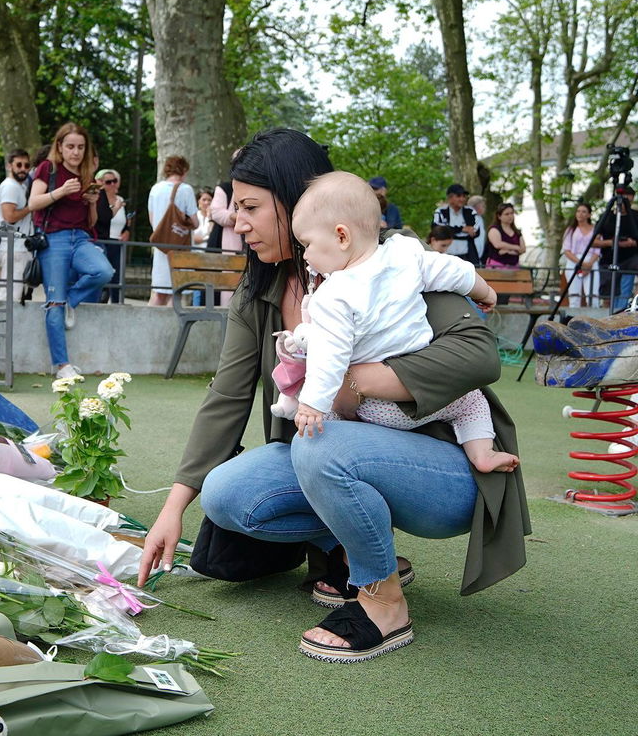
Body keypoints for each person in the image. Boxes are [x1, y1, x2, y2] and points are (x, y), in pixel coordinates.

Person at [137, 128, 527, 664]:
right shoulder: (260, 292)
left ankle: (384, 605)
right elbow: (226, 397)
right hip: (336, 453)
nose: (235, 220)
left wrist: (352, 380)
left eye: (250, 206)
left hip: (449, 463)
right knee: (228, 494)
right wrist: (174, 507)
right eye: (236, 206)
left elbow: (479, 357)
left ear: (297, 201)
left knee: (318, 445)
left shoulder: (387, 266)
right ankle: (356, 549)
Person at [286, 171, 518, 475]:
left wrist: (312, 404)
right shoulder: (405, 254)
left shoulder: (334, 294)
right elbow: (452, 270)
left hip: (373, 405)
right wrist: (484, 290)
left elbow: (329, 356)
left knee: (323, 425)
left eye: (307, 244)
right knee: (472, 402)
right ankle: (482, 453)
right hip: (420, 394)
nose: (305, 255)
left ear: (341, 236)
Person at [28, 123, 114, 378]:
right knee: (54, 302)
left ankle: (71, 301)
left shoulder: (88, 174)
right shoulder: (48, 168)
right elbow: (33, 203)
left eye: (80, 147)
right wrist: (60, 192)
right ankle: (62, 366)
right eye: (70, 147)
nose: (75, 152)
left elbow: (90, 221)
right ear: (60, 147)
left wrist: (92, 203)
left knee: (103, 271)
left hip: (82, 238)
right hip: (53, 240)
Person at [147, 156, 199, 306]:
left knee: (159, 292)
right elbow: (195, 222)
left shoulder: (155, 189)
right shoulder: (185, 189)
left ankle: (147, 325)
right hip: (179, 246)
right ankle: (171, 329)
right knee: (177, 291)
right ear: (183, 170)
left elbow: (152, 219)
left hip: (161, 246)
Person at [591, 185, 638, 309]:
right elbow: (593, 241)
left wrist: (632, 243)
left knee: (625, 291)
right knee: (607, 295)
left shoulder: (636, 216)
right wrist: (613, 243)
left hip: (630, 260)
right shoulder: (606, 217)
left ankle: (621, 314)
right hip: (608, 259)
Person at [0, 150, 33, 301]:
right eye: (19, 165)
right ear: (9, 166)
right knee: (10, 295)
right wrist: (31, 207)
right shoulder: (10, 187)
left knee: (15, 294)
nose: (23, 169)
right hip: (14, 247)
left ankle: (9, 323)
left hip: (20, 247)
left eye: (26, 165)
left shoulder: (20, 186)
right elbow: (9, 216)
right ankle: (4, 324)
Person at [94, 168, 130, 303]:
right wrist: (116, 207)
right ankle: (98, 301)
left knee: (117, 276)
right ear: (100, 183)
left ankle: (117, 303)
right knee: (103, 274)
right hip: (102, 240)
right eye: (108, 182)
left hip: (117, 241)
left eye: (115, 181)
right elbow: (104, 218)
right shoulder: (98, 199)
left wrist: (127, 230)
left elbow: (126, 221)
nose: (113, 184)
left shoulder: (120, 199)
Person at [562, 202, 600, 307]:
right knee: (574, 295)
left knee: (593, 295)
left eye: (584, 212)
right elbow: (567, 250)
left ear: (589, 215)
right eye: (578, 211)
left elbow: (597, 250)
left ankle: (594, 320)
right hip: (575, 261)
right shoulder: (571, 230)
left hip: (591, 261)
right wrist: (581, 263)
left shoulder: (595, 229)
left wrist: (589, 264)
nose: (580, 214)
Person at [433, 183, 481, 265]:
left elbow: (476, 231)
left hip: (467, 256)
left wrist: (451, 230)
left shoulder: (470, 212)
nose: (462, 199)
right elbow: (437, 230)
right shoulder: (441, 211)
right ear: (450, 198)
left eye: (464, 196)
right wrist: (462, 229)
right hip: (446, 255)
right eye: (458, 196)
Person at [482, 203, 525, 268]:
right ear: (499, 216)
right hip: (496, 266)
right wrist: (516, 248)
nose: (510, 216)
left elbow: (523, 249)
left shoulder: (517, 232)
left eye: (512, 213)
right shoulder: (494, 229)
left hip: (514, 267)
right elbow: (498, 244)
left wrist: (507, 250)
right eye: (507, 214)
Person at [469, 195, 489, 261]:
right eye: (483, 206)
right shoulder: (470, 218)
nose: (485, 208)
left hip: (478, 255)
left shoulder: (480, 218)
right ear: (475, 206)